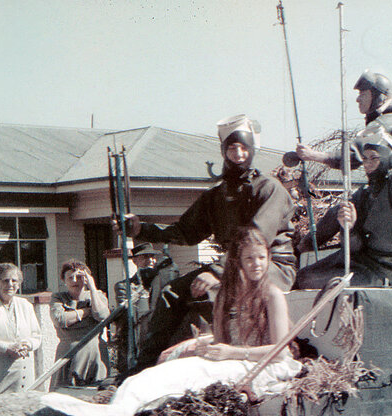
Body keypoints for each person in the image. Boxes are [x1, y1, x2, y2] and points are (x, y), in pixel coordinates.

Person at [41, 229, 301, 416]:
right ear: (238, 262)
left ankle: (126, 410)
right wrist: (204, 346)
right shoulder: (227, 295)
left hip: (263, 365)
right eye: (249, 258)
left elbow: (280, 352)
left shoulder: (272, 294)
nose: (256, 264)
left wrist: (229, 352)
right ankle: (121, 408)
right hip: (233, 361)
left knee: (187, 375)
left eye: (261, 257)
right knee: (170, 367)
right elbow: (222, 342)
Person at [120, 115, 296, 369]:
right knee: (171, 292)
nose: (238, 154)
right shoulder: (216, 196)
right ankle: (143, 369)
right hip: (232, 267)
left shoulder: (269, 188)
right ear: (223, 151)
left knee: (210, 293)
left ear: (252, 149)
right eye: (232, 148)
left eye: (243, 147)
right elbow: (185, 231)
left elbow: (257, 239)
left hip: (269, 265)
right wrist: (141, 229)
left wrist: (218, 272)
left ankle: (207, 366)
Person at [294, 127, 392, 289]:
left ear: (388, 157)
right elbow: (354, 246)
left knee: (309, 282)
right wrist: (349, 228)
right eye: (365, 159)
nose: (367, 164)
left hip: (385, 269)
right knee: (302, 277)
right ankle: (300, 248)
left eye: (374, 158)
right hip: (362, 259)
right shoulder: (366, 191)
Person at [296, 69, 392, 171]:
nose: (357, 99)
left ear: (378, 98)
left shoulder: (382, 125)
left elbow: (353, 157)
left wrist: (313, 155)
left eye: (363, 94)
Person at [0, 263, 42, 400]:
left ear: (19, 284)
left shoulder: (26, 305)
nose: (10, 284)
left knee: (22, 404)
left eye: (14, 280)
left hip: (22, 365)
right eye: (5, 280)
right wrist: (6, 347)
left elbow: (36, 335)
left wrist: (27, 345)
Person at [50, 260, 111, 387]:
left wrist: (92, 288)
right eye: (70, 277)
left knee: (96, 392)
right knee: (66, 393)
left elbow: (102, 315)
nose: (74, 281)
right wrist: (86, 311)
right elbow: (60, 320)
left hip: (96, 354)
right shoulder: (58, 298)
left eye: (79, 277)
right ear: (64, 280)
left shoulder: (97, 296)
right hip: (70, 353)